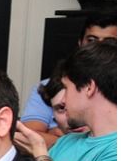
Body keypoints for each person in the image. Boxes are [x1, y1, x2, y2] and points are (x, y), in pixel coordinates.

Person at [20, 12, 115, 147]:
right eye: (91, 40)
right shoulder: (50, 85)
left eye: (108, 42)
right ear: (80, 42)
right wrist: (66, 142)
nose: (97, 47)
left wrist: (60, 140)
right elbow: (28, 135)